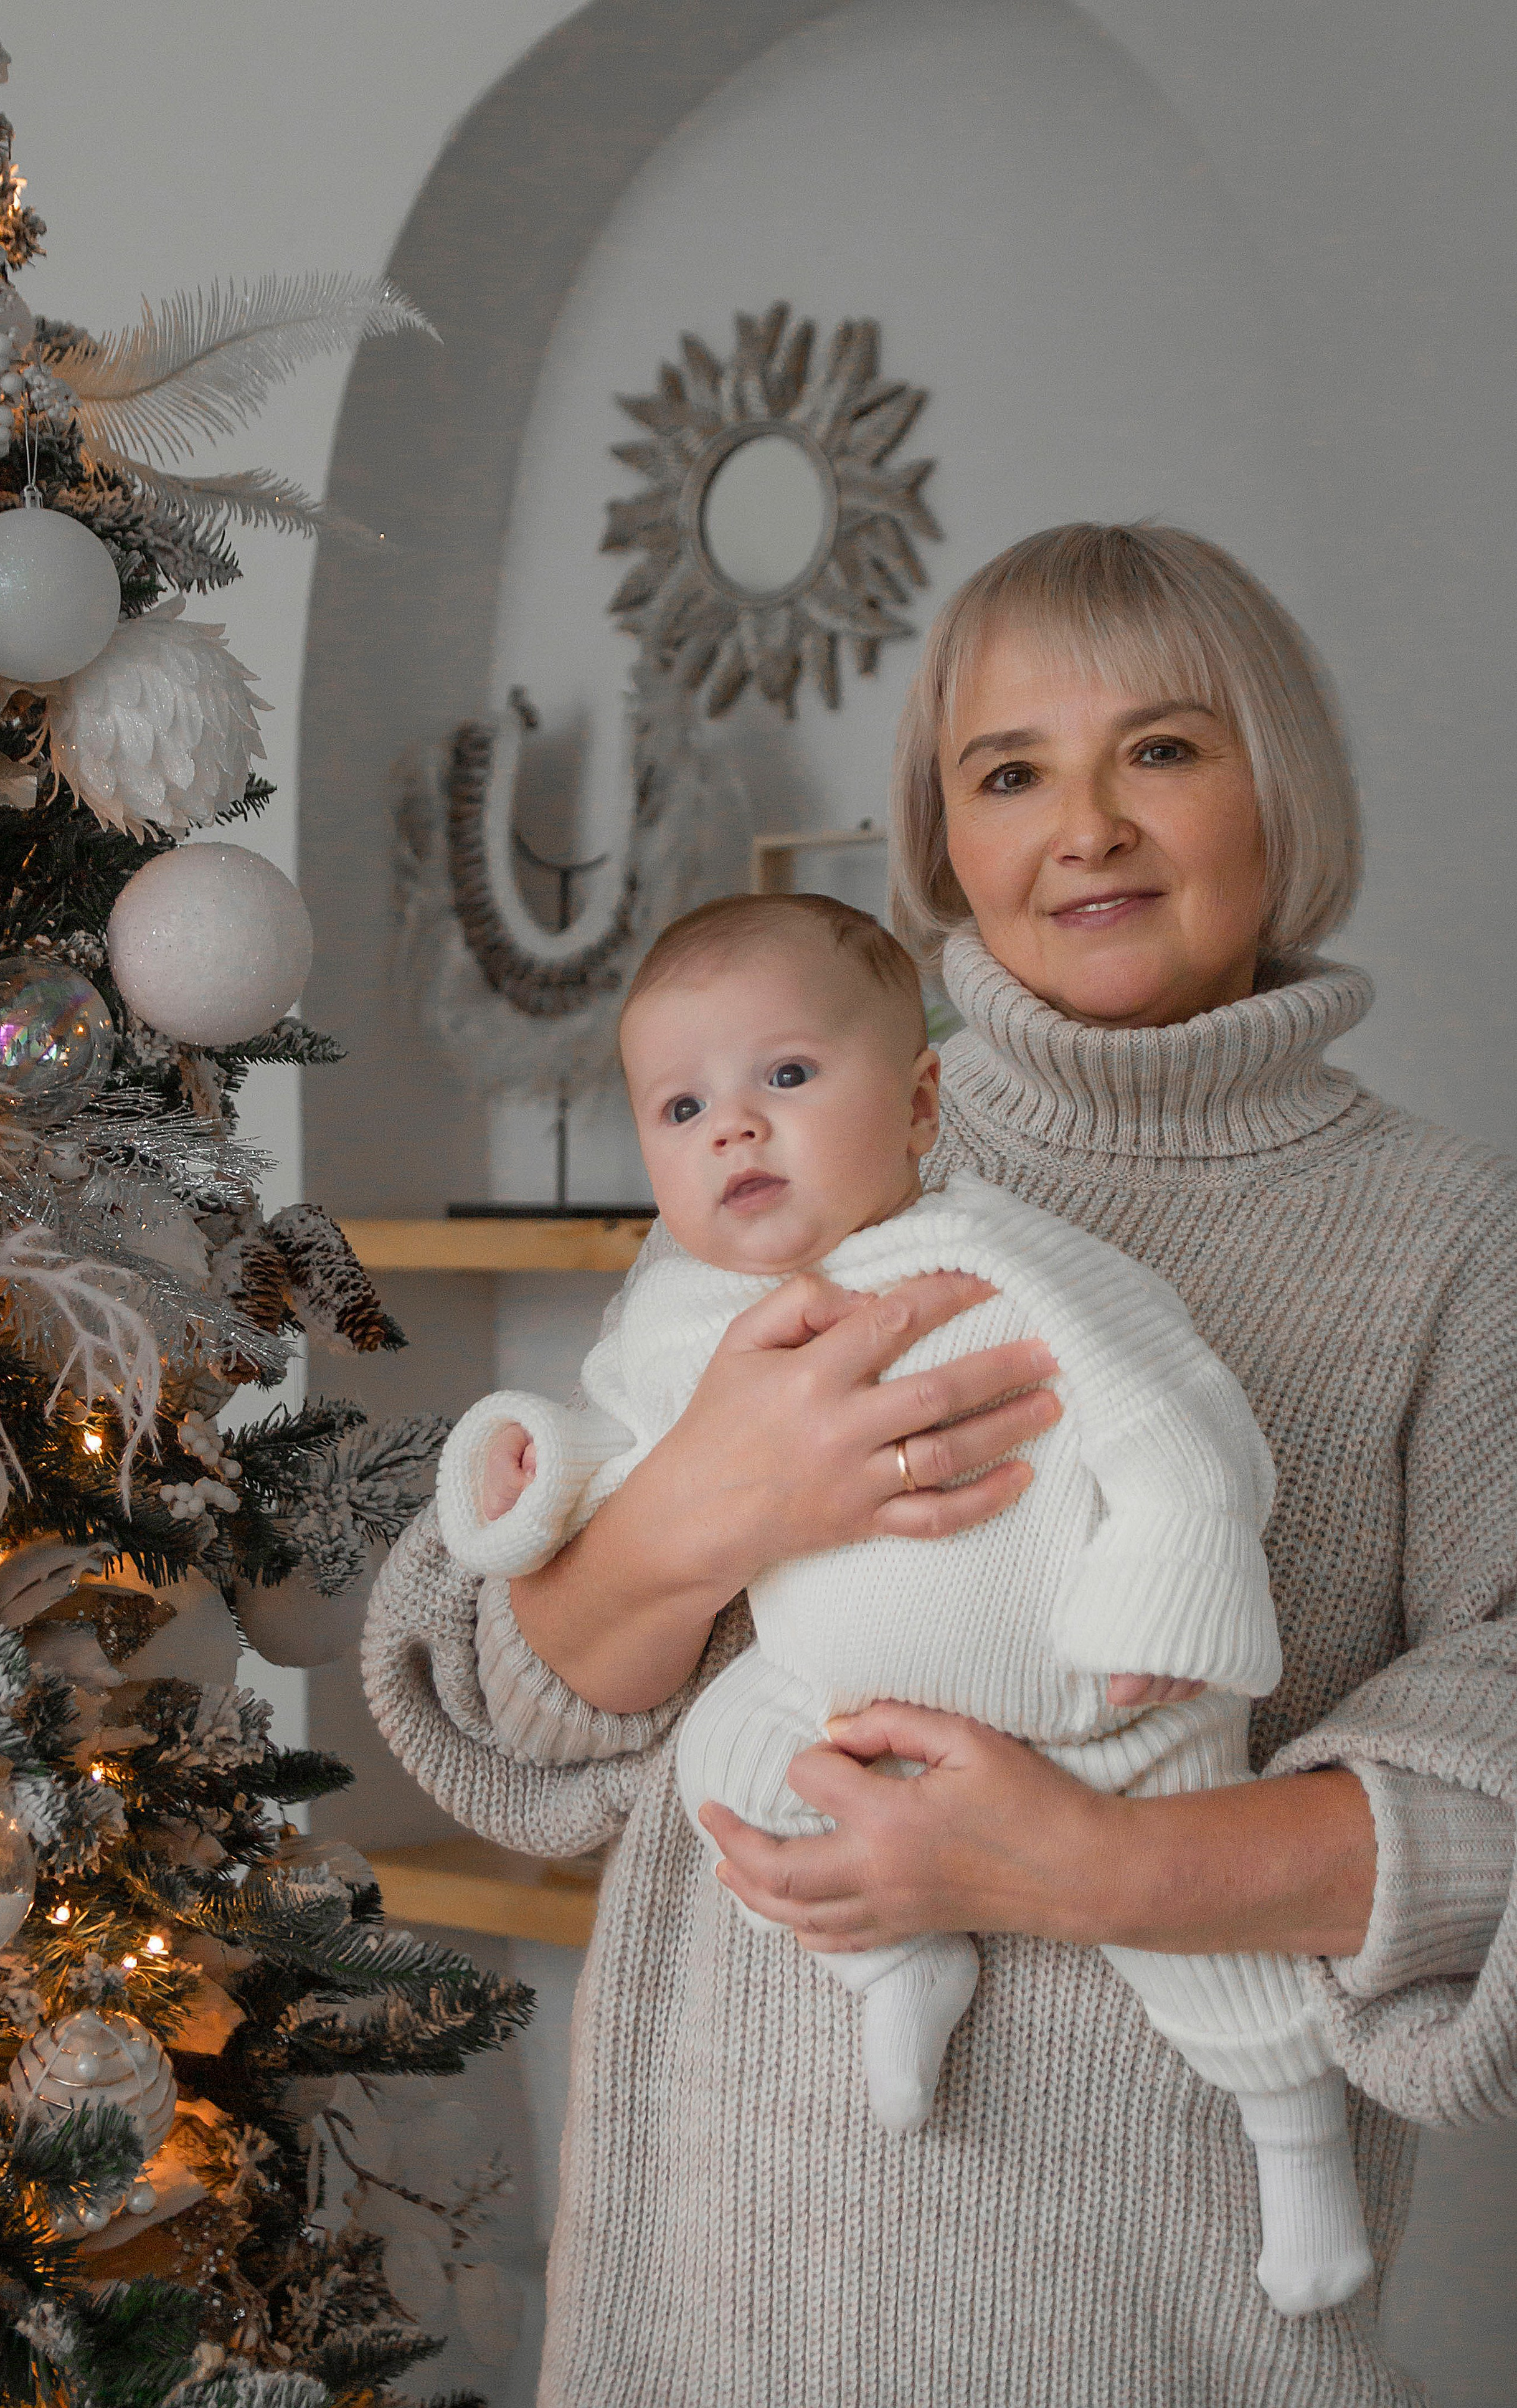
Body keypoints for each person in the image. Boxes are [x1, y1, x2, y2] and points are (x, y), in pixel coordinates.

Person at [364, 523, 1517, 2407]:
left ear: (1277, 785)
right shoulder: (791, 1131)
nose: (1086, 827)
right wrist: (707, 1506)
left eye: (1161, 748)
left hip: (1147, 2320)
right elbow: (497, 1707)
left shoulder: (1452, 1240)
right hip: (714, 2265)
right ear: (944, 831)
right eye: (1010, 771)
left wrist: (1096, 1865)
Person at [435, 888, 1371, 2313]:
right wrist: (526, 1475)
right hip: (839, 1698)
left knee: (1205, 1947)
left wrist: (1162, 1605)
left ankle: (1295, 2141)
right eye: (680, 1108)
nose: (732, 1129)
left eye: (786, 1077)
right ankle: (894, 1957)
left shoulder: (995, 1254)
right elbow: (621, 1468)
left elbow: (1176, 1412)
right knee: (729, 1770)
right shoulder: (675, 1313)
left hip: (1091, 1691)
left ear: (921, 1101)